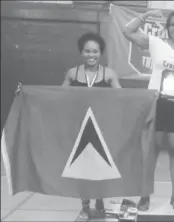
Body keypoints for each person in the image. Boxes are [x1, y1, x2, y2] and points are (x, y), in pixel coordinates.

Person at [123, 10, 174, 211]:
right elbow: (128, 30)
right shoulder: (156, 43)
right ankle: (144, 196)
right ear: (168, 27)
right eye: (172, 24)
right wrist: (146, 15)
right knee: (152, 150)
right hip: (156, 103)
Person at [62, 32, 121, 220]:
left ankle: (100, 201)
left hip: (101, 128)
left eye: (95, 51)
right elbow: (56, 96)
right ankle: (85, 206)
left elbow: (124, 98)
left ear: (100, 52)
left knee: (101, 167)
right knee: (82, 168)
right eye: (87, 51)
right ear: (82, 53)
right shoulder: (73, 73)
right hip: (79, 128)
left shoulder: (109, 74)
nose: (91, 55)